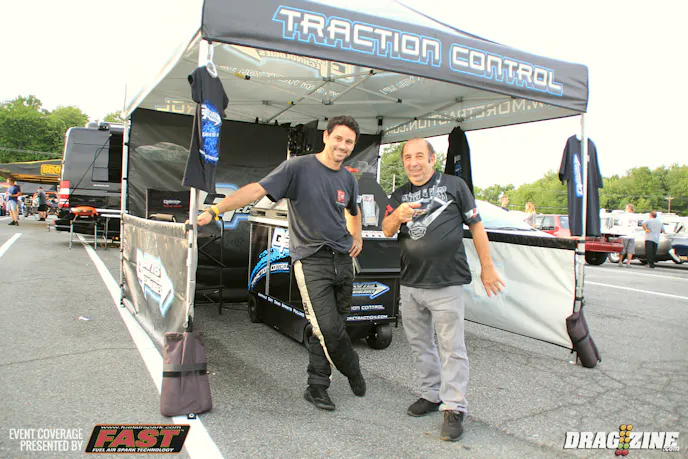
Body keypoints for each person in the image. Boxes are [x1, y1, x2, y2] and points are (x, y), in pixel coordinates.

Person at [197, 116, 366, 411]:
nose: (343, 145)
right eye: (338, 138)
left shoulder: (348, 179)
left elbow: (354, 210)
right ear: (326, 137)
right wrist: (215, 209)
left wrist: (358, 236)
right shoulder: (298, 168)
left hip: (343, 261)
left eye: (349, 142)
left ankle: (317, 386)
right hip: (312, 261)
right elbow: (256, 190)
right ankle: (353, 369)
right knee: (328, 328)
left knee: (331, 326)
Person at [381, 138, 505, 442]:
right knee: (420, 344)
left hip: (446, 282)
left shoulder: (454, 185)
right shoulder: (399, 194)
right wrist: (397, 215)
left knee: (452, 348)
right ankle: (431, 394)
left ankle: (454, 407)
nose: (413, 162)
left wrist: (487, 266)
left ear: (432, 159)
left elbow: (476, 226)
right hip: (411, 282)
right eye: (407, 157)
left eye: (419, 156)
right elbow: (386, 229)